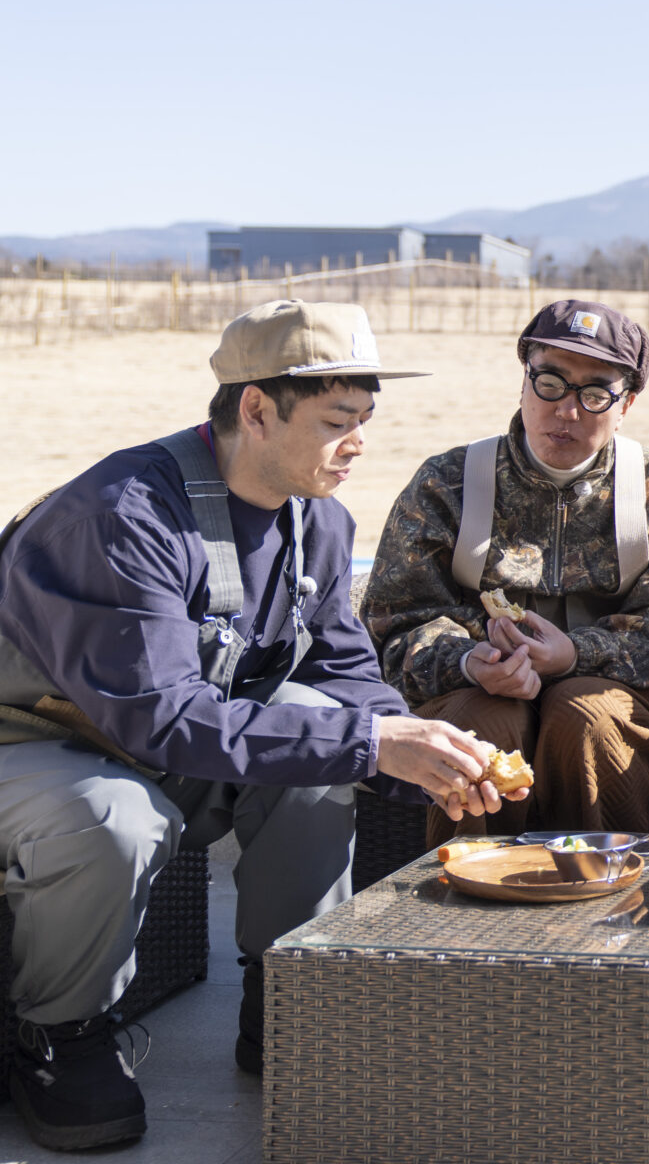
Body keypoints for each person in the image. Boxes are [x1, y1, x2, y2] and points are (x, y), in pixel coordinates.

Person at [0, 300, 516, 1152]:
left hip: (149, 742)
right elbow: (163, 715)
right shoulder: (123, 516)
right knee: (115, 819)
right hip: (32, 745)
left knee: (324, 736)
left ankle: (286, 999)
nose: (358, 444)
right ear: (254, 409)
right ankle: (60, 1034)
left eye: (366, 421)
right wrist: (372, 742)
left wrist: (419, 754)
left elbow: (341, 673)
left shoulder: (318, 517)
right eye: (336, 421)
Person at [364, 300, 649, 844]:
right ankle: (464, 915)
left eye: (595, 392)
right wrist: (468, 660)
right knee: (482, 730)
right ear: (524, 382)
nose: (568, 411)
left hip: (614, 694)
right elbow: (395, 621)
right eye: (551, 383)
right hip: (474, 689)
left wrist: (577, 654)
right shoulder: (447, 483)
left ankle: (603, 906)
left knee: (586, 718)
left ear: (625, 404)